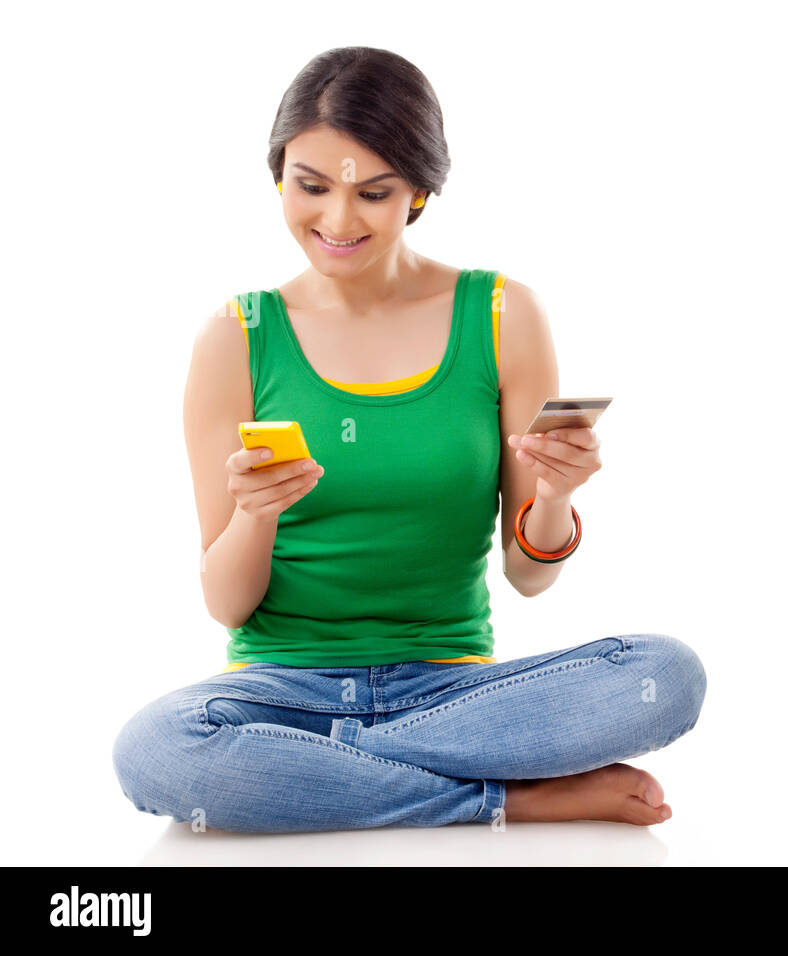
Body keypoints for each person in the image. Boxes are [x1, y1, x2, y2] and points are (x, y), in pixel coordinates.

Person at [111, 46, 706, 833]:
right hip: (283, 694)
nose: (337, 220)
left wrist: (555, 497)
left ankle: (334, 775)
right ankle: (501, 796)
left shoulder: (501, 314)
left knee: (666, 675)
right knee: (155, 750)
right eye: (311, 186)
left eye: (374, 192)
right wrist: (255, 515)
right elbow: (227, 602)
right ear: (278, 177)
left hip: (457, 692)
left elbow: (529, 577)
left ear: (421, 190)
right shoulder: (237, 334)